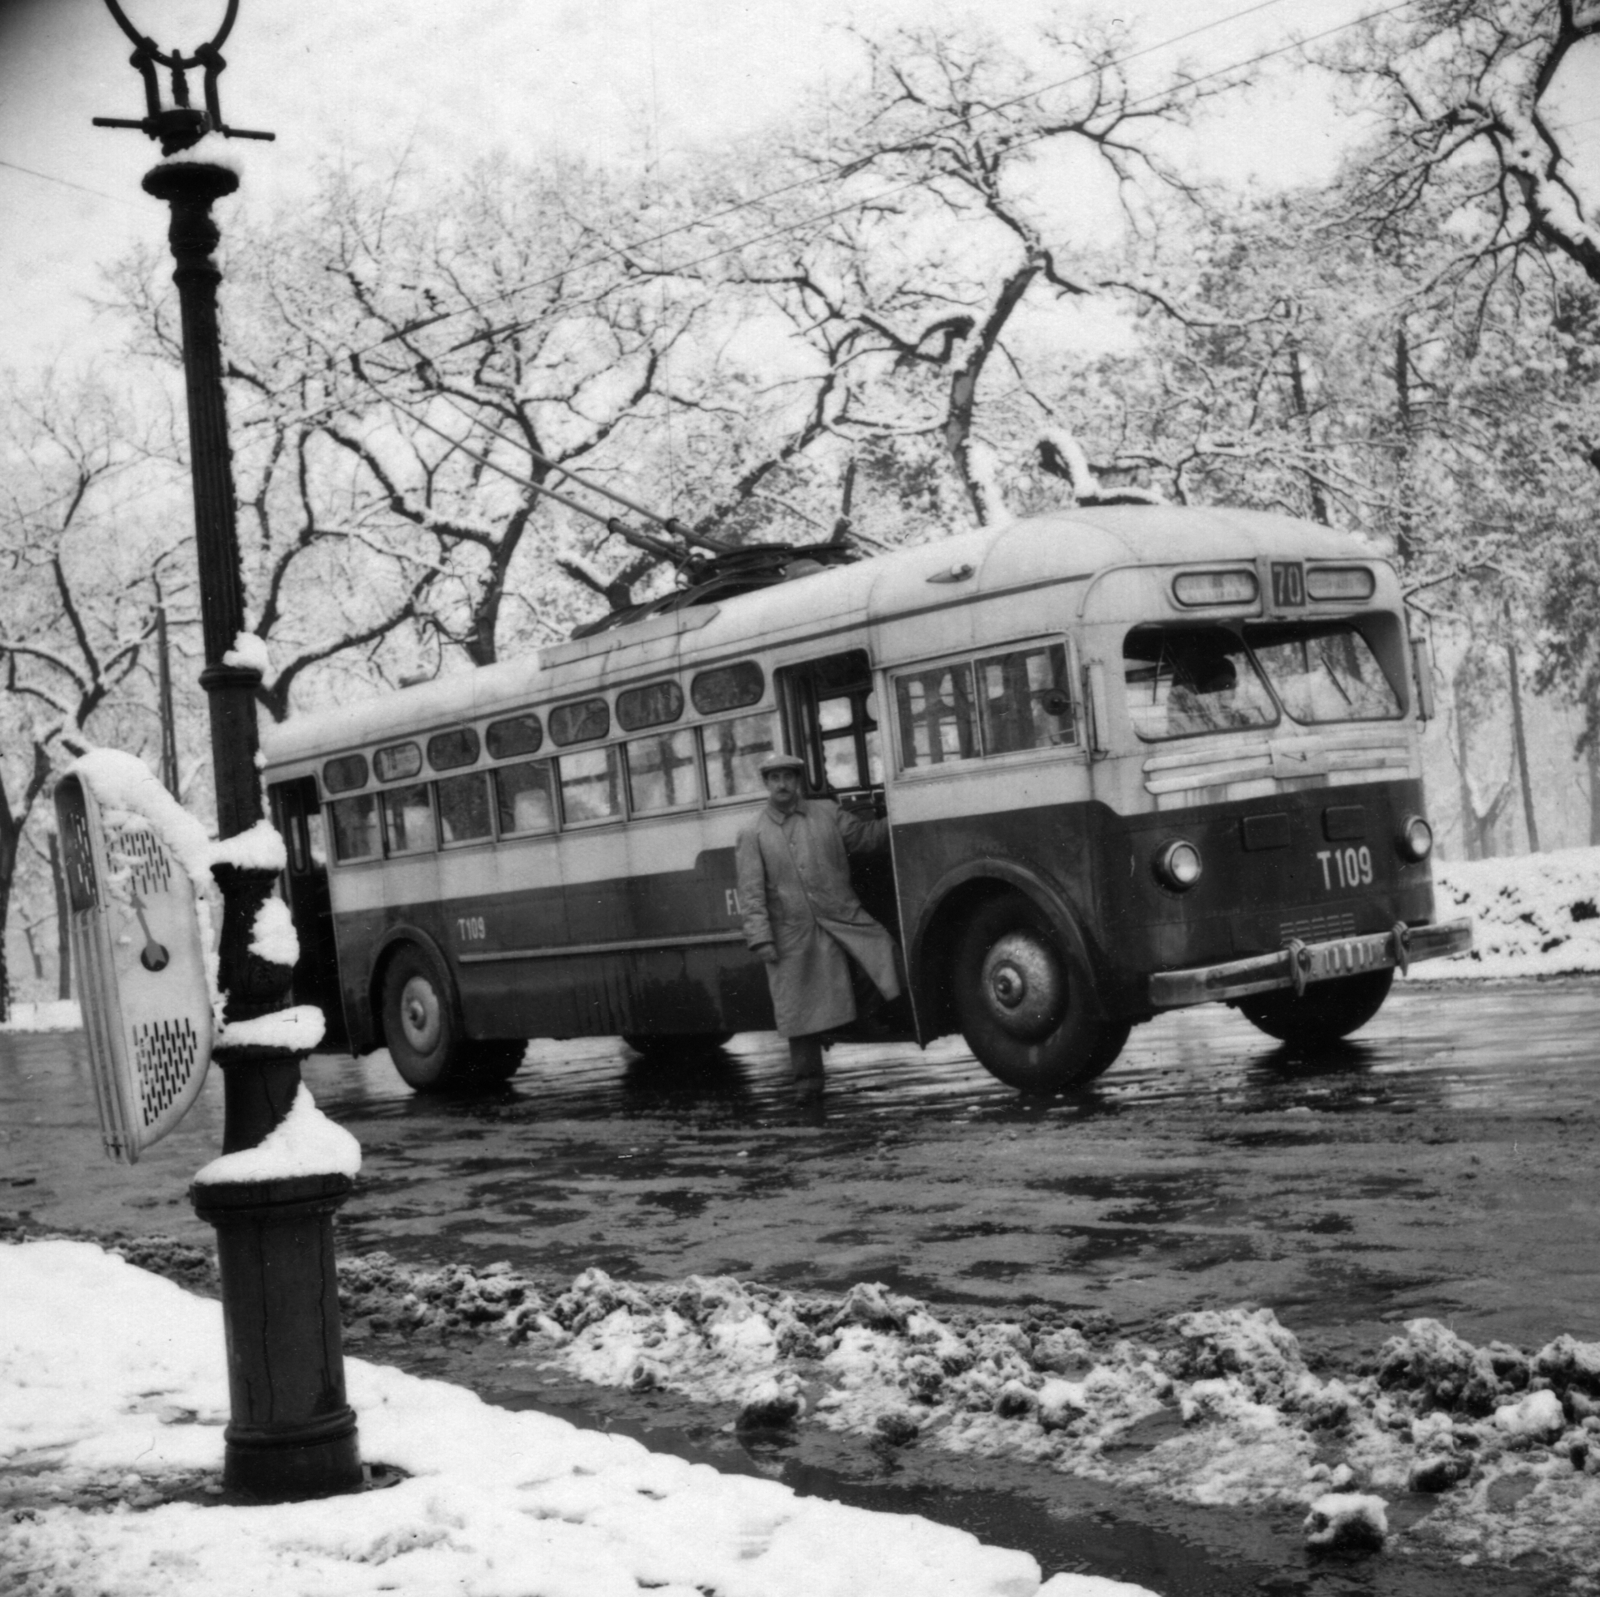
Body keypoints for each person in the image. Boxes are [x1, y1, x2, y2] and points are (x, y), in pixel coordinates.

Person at [735, 751, 901, 1103]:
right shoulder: (753, 832)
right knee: (799, 1013)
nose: (782, 784)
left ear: (798, 782)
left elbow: (866, 839)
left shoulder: (827, 814)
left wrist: (904, 809)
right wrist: (761, 938)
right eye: (775, 778)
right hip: (790, 933)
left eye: (789, 777)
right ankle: (807, 1087)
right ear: (766, 784)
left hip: (844, 919)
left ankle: (849, 1024)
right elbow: (750, 892)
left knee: (884, 955)